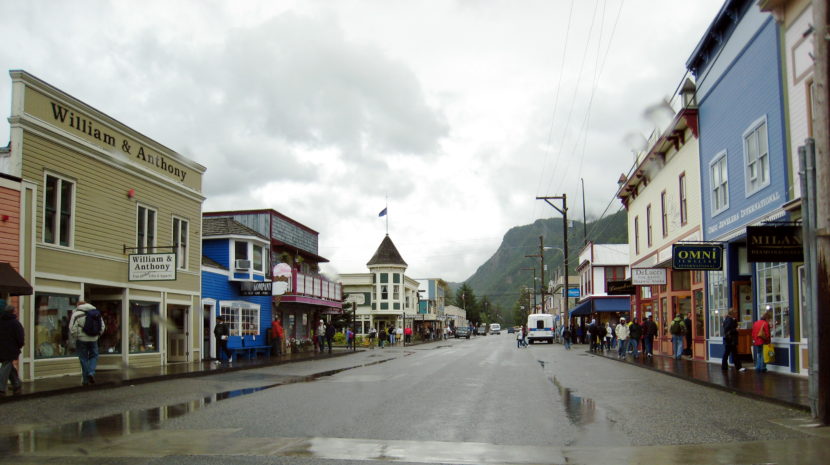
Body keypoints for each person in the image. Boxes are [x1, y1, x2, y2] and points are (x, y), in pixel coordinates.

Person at [70, 302, 105, 385]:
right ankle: (91, 372)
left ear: (78, 306)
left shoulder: (76, 314)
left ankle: (85, 380)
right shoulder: (96, 313)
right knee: (94, 356)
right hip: (94, 339)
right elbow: (102, 326)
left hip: (81, 339)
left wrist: (76, 337)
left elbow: (72, 328)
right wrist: (97, 335)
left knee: (83, 358)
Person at [0, 305, 24, 396]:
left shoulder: (1, 321)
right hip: (11, 349)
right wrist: (19, 345)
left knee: (8, 365)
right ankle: (1, 387)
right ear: (13, 312)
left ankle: (16, 383)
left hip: (2, 348)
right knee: (6, 366)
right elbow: (20, 338)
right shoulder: (15, 323)